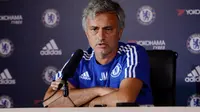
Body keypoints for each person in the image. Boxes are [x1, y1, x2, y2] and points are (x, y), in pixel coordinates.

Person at [43, 0, 153, 107]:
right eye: (94, 29)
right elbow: (49, 101)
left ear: (119, 33)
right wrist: (98, 91)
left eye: (108, 29)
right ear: (87, 34)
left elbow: (125, 99)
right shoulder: (80, 60)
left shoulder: (132, 53)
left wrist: (87, 103)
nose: (101, 36)